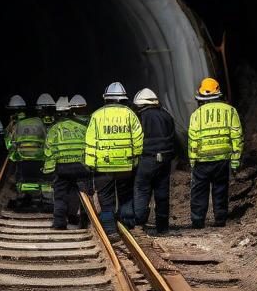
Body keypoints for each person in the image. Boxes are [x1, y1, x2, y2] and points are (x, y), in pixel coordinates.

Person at [84, 81, 143, 235]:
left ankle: (110, 231)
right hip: (126, 165)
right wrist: (135, 160)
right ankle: (128, 226)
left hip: (103, 168)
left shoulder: (96, 116)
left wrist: (90, 165)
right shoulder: (130, 114)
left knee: (106, 200)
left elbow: (90, 143)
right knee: (125, 196)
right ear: (123, 98)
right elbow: (138, 139)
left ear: (106, 98)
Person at [187, 77, 243, 228]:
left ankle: (198, 221)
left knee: (199, 191)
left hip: (202, 161)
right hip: (222, 159)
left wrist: (192, 161)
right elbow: (236, 137)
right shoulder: (230, 111)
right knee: (220, 189)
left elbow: (193, 141)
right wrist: (235, 160)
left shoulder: (196, 115)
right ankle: (220, 219)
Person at [131, 88, 176, 235]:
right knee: (162, 193)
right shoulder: (167, 116)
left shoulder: (139, 117)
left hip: (146, 160)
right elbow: (173, 138)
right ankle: (162, 227)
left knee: (142, 191)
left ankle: (139, 223)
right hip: (165, 160)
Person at [43, 97, 92, 230]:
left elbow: (49, 151)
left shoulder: (54, 129)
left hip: (62, 168)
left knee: (60, 196)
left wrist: (49, 170)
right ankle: (84, 221)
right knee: (84, 194)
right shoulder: (83, 127)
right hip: (82, 167)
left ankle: (59, 223)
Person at [8, 101, 47, 206]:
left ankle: (20, 190)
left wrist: (14, 152)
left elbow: (12, 141)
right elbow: (46, 137)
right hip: (38, 154)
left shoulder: (19, 124)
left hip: (23, 154)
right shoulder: (40, 122)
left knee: (18, 168)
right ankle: (39, 191)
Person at [34, 93, 57, 202]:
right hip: (52, 160)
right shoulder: (56, 124)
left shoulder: (36, 125)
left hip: (43, 159)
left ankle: (46, 198)